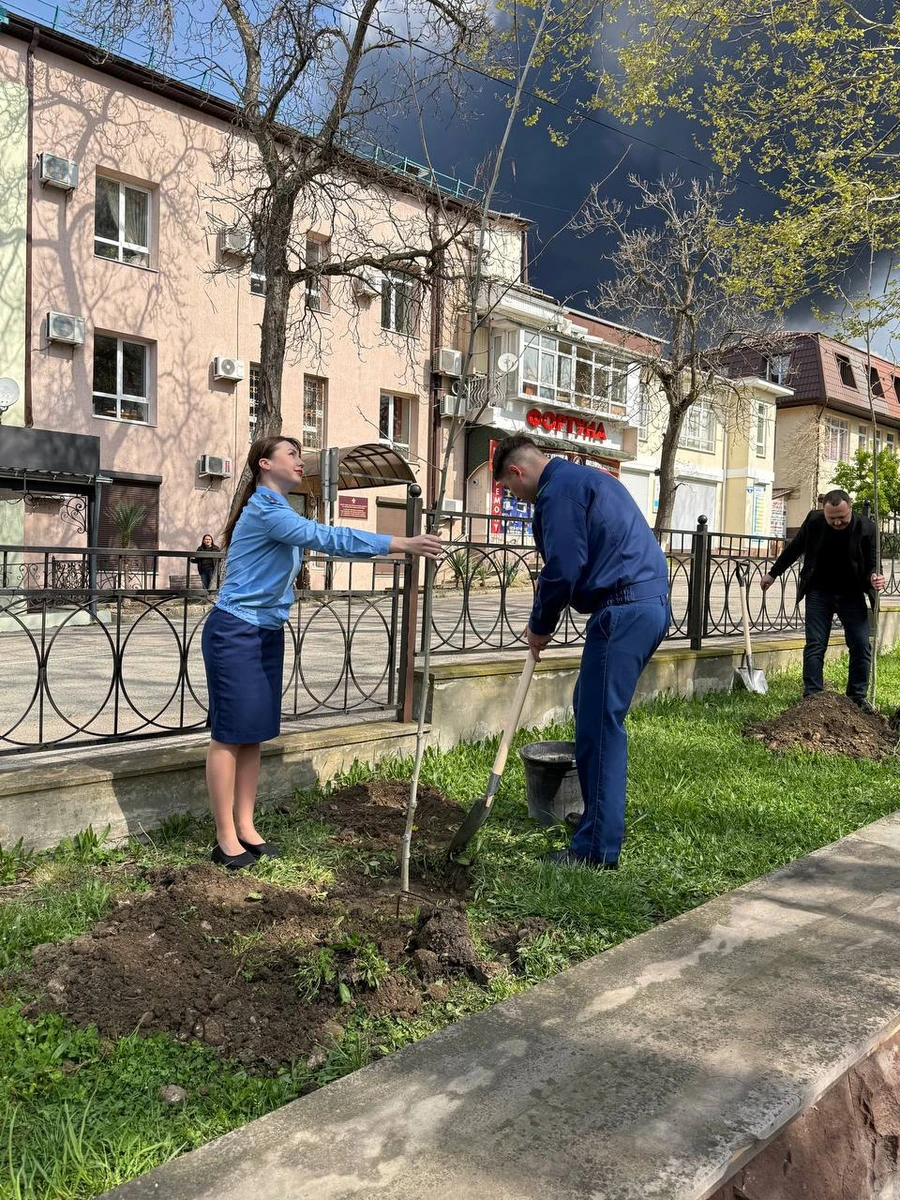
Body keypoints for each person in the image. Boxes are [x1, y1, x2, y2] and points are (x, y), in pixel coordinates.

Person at [202, 436, 441, 869]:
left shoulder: (281, 510)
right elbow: (327, 537)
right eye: (290, 454)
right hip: (235, 631)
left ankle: (246, 826)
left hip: (265, 632)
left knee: (252, 733)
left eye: (299, 453)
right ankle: (224, 838)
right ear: (264, 464)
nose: (299, 460)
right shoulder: (265, 510)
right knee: (228, 735)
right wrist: (401, 544)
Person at [492, 435, 670, 870]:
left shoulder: (558, 493)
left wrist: (540, 624)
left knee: (599, 726)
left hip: (624, 611)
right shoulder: (582, 478)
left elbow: (563, 567)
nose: (517, 498)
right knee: (592, 714)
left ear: (517, 472)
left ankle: (596, 849)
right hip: (642, 605)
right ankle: (596, 819)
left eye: (512, 491)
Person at [760, 488, 885, 709]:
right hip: (819, 592)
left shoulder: (867, 528)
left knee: (861, 644)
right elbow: (795, 548)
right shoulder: (814, 521)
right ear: (823, 512)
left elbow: (874, 563)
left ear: (851, 508)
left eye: (842, 518)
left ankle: (857, 697)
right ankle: (813, 696)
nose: (837, 523)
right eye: (832, 518)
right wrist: (773, 573)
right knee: (815, 644)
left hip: (851, 593)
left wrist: (875, 577)